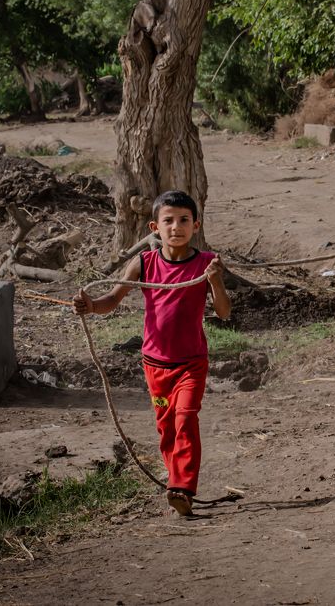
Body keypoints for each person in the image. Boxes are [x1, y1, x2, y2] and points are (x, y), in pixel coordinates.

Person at [73, 190, 231, 517]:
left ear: (196, 225)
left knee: (185, 418)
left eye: (184, 220)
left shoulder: (206, 264)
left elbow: (225, 313)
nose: (176, 227)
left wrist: (216, 282)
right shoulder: (144, 263)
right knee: (167, 427)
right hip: (155, 366)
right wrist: (89, 306)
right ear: (154, 227)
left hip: (191, 364)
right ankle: (176, 482)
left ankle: (183, 488)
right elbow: (112, 300)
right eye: (168, 220)